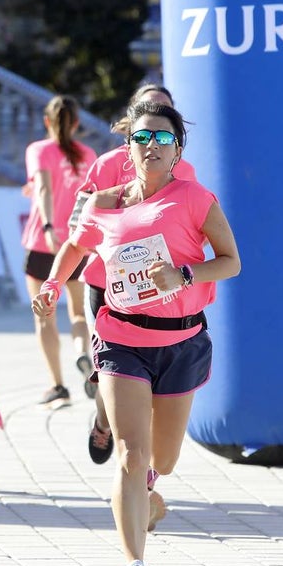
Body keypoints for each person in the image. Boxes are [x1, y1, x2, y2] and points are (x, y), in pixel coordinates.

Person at [34, 101, 240, 566]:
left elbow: (231, 262)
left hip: (181, 340)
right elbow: (76, 247)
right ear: (128, 147)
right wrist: (54, 284)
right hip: (121, 336)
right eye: (142, 138)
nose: (152, 146)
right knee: (130, 453)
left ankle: (149, 490)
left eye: (163, 139)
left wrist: (183, 275)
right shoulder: (103, 201)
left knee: (162, 458)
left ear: (178, 150)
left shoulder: (195, 199)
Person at [73, 85, 197, 481]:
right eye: (146, 126)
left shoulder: (186, 173)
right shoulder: (107, 164)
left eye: (165, 122)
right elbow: (81, 224)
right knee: (117, 369)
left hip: (164, 293)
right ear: (132, 121)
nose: (153, 139)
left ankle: (143, 467)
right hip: (108, 287)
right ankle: (105, 421)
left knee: (153, 381)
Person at [20, 95, 97, 408]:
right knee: (78, 313)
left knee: (45, 317)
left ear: (47, 121)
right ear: (77, 123)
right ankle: (83, 353)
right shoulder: (89, 153)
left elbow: (44, 189)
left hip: (43, 243)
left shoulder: (38, 150)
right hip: (78, 244)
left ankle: (58, 386)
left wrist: (49, 227)